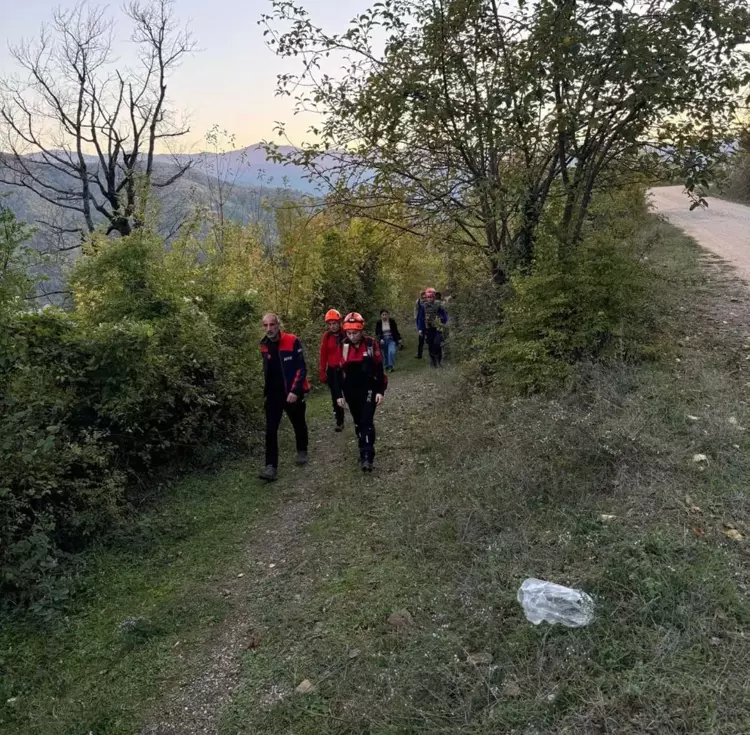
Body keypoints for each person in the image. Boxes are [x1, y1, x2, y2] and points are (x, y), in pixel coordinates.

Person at [258, 313, 310, 482]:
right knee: (271, 430)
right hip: (273, 395)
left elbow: (301, 368)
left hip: (292, 391)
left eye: (272, 325)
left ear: (278, 325)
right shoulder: (263, 345)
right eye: (265, 325)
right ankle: (271, 466)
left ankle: (302, 450)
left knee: (298, 422)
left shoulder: (292, 340)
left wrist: (295, 391)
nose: (269, 329)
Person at [332, 312, 387, 472]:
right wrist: (338, 395)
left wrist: (380, 391)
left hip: (368, 388)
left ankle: (367, 456)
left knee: (366, 420)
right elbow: (336, 372)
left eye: (355, 333)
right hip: (350, 389)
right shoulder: (343, 345)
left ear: (361, 330)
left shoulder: (370, 344)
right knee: (358, 421)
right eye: (349, 333)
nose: (352, 336)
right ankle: (362, 446)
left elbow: (378, 368)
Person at [319, 308, 346, 432]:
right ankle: (339, 421)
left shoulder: (345, 334)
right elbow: (323, 355)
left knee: (351, 393)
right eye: (330, 324)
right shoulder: (327, 336)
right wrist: (322, 372)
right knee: (336, 396)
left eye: (334, 323)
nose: (332, 326)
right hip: (333, 370)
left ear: (339, 322)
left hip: (345, 369)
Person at [417, 288, 448, 368]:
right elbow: (420, 318)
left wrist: (441, 321)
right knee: (430, 345)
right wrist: (420, 329)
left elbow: (444, 316)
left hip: (437, 328)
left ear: (434, 297)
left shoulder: (439, 305)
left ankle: (439, 361)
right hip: (428, 329)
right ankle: (433, 362)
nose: (429, 299)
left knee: (437, 344)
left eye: (431, 297)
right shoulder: (423, 306)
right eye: (428, 297)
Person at [374, 308, 403, 373]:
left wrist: (399, 339)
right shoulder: (379, 323)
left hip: (391, 339)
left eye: (385, 314)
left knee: (391, 352)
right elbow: (377, 332)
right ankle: (387, 366)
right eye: (383, 315)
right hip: (383, 340)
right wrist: (380, 339)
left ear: (388, 315)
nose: (384, 316)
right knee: (385, 354)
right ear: (381, 315)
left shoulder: (392, 321)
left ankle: (391, 366)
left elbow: (396, 331)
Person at [414, 290, 426, 359]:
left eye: (424, 295)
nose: (423, 297)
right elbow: (415, 310)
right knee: (421, 338)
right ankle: (419, 354)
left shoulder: (428, 302)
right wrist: (415, 317)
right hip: (420, 320)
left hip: (427, 321)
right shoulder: (418, 301)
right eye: (422, 295)